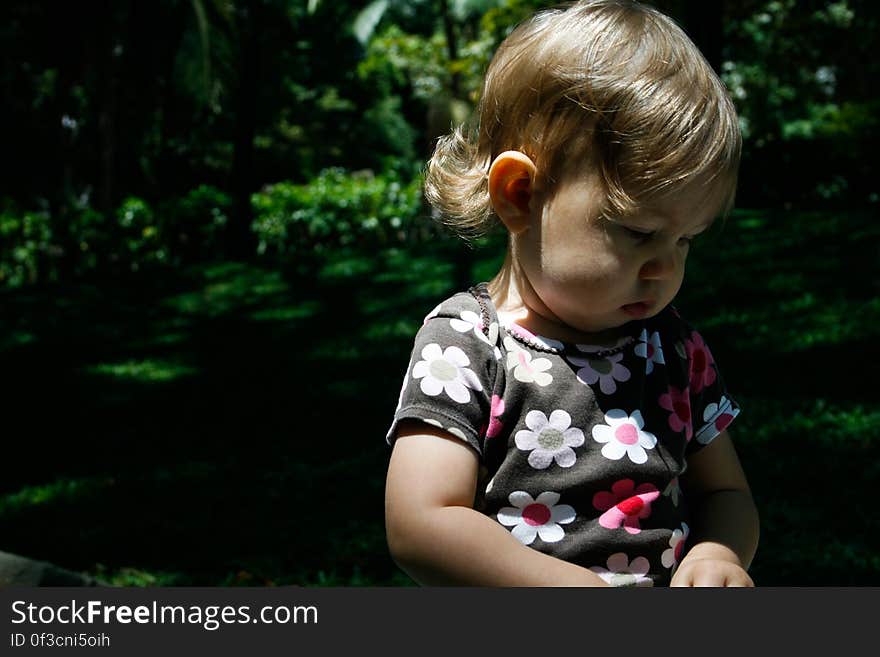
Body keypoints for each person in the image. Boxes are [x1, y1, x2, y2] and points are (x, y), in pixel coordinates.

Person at [383, 0, 759, 587]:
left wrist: (719, 554)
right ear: (520, 196)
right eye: (638, 233)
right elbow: (421, 522)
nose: (664, 267)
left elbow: (727, 492)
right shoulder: (467, 346)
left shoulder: (674, 351)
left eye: (685, 240)